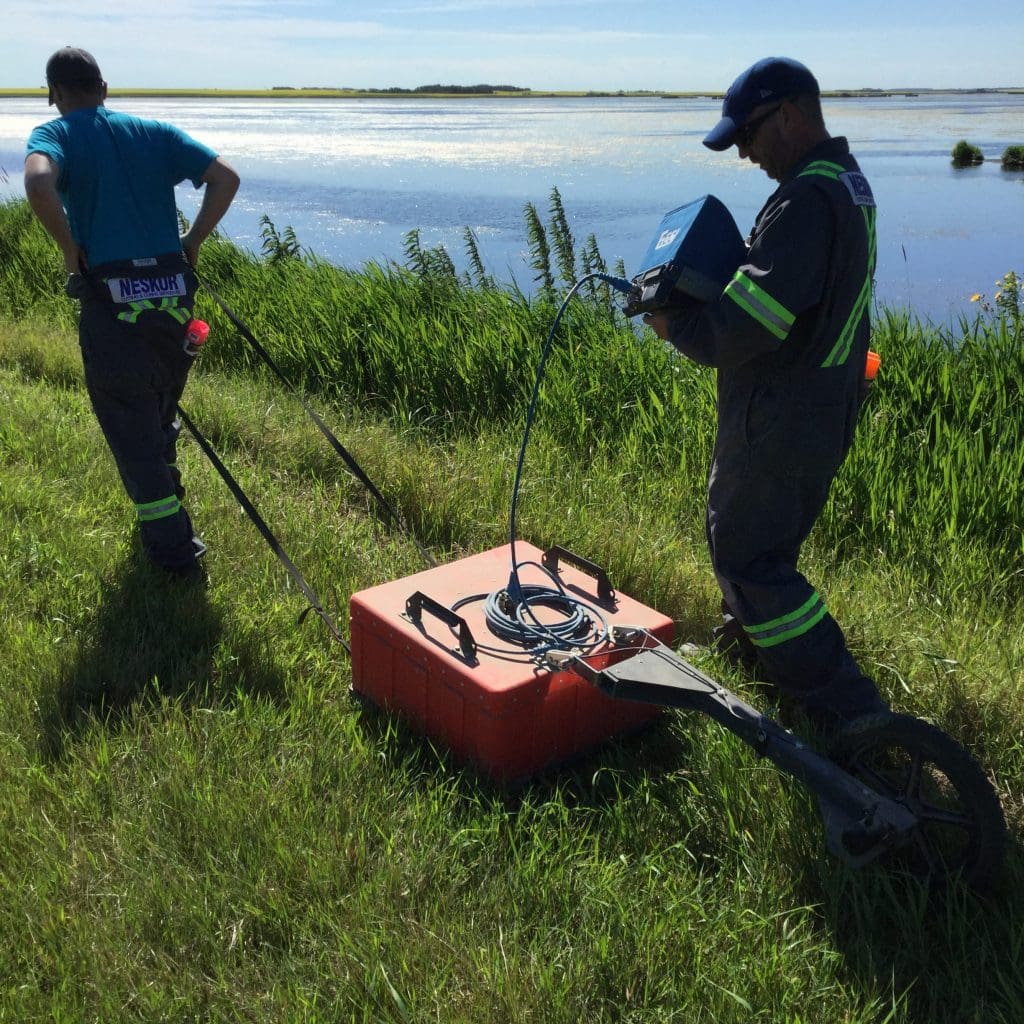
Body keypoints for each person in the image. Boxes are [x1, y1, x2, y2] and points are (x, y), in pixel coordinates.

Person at [645, 57, 887, 728]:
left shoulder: (806, 200)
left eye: (749, 134)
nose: (746, 153)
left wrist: (675, 324)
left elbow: (744, 326)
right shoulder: (846, 181)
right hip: (819, 409)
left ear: (789, 115)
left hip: (779, 419)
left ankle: (848, 710)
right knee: (761, 549)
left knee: (749, 557)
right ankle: (752, 652)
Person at [24, 47, 239, 579]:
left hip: (112, 298)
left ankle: (175, 558)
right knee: (160, 403)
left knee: (129, 426)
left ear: (53, 93)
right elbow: (227, 177)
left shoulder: (57, 136)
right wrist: (193, 240)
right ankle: (169, 507)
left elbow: (35, 180)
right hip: (173, 293)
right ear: (104, 87)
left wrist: (68, 247)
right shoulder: (154, 131)